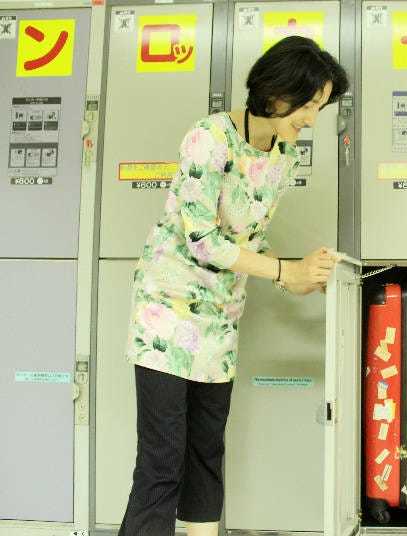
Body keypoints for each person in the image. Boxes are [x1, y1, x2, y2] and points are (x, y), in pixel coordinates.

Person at [117, 36, 349, 536]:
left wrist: (298, 280)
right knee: (161, 457)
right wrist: (286, 271)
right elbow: (202, 240)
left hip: (221, 318)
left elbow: (245, 242)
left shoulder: (283, 156)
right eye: (308, 105)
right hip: (168, 312)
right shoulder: (210, 137)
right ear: (277, 92)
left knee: (206, 452)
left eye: (320, 108)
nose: (311, 120)